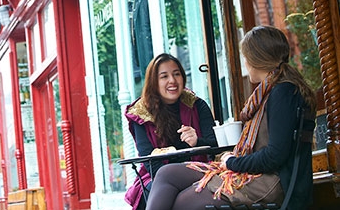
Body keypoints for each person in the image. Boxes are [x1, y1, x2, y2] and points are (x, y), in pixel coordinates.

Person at [145, 26, 317, 210]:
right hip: (254, 175)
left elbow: (275, 156)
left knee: (182, 203)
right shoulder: (272, 91)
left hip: (268, 182)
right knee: (166, 174)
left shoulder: (282, 92)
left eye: (246, 58)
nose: (245, 63)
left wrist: (232, 162)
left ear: (255, 59)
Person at [124, 53, 218, 210]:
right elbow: (150, 161)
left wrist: (197, 141)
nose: (172, 81)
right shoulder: (140, 113)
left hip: (198, 171)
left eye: (176, 74)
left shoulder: (197, 105)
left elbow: (216, 145)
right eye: (164, 76)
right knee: (164, 189)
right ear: (154, 82)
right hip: (157, 177)